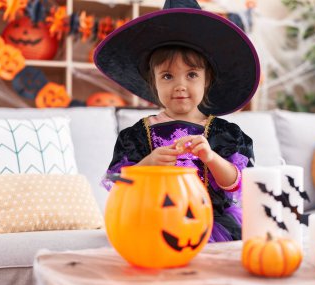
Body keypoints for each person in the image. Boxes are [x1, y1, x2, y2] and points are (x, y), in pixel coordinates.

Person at [95, 0, 260, 242]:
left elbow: (236, 184)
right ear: (154, 82)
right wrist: (149, 163)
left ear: (207, 80)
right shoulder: (136, 136)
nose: (180, 85)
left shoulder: (224, 133)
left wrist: (211, 158)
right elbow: (120, 184)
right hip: (154, 222)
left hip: (211, 224)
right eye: (168, 76)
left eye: (192, 74)